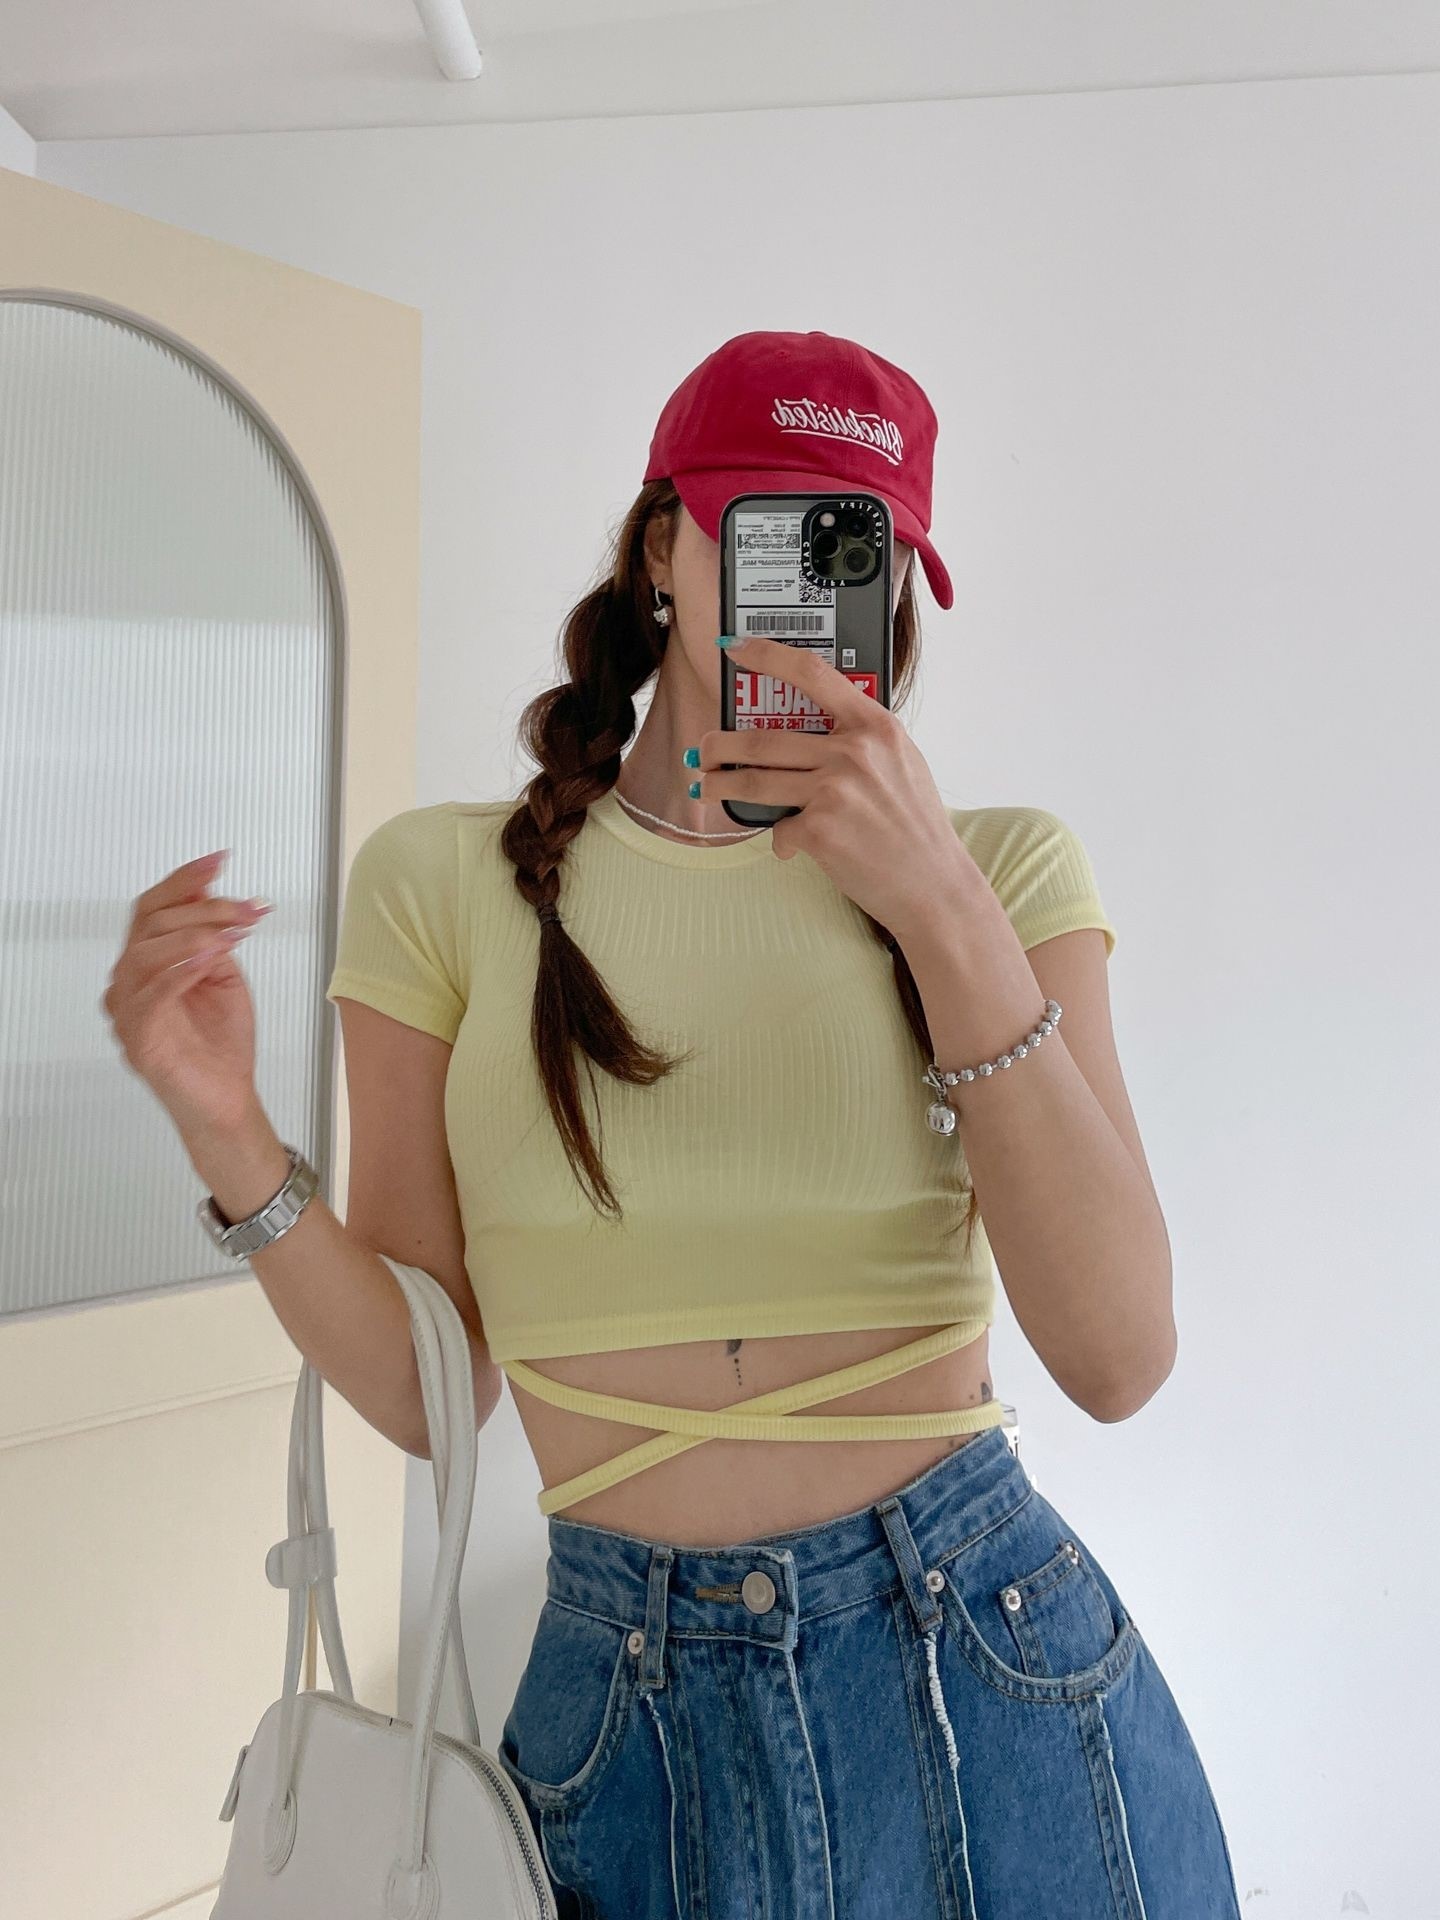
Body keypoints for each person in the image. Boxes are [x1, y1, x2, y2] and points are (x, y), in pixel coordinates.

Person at [106, 329, 1241, 1918]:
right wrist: (226, 1131)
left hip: (987, 1678)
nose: (811, 592)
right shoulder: (442, 885)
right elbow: (435, 1394)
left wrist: (938, 907)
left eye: (858, 552)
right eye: (774, 531)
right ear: (662, 545)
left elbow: (1119, 1359)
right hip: (627, 1716)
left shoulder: (1001, 870)